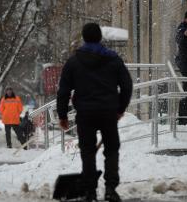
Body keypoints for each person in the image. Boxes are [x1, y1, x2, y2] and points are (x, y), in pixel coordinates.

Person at [57, 23, 133, 202]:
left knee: (88, 151)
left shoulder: (74, 61)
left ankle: (90, 191)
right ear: (100, 38)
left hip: (85, 113)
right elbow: (127, 85)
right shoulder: (113, 59)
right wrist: (120, 108)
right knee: (112, 149)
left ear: (84, 38)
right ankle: (110, 189)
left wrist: (62, 115)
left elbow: (63, 90)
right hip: (108, 112)